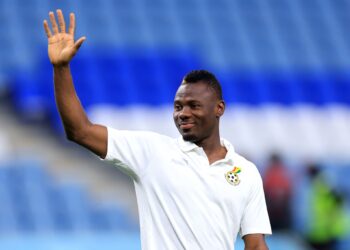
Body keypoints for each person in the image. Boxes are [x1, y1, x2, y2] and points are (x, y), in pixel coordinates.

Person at [43, 9, 272, 250]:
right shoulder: (152, 153)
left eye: (194, 105)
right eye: (178, 106)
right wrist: (61, 68)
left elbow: (256, 245)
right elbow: (80, 131)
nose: (183, 113)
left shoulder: (245, 172)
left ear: (219, 108)